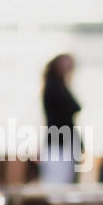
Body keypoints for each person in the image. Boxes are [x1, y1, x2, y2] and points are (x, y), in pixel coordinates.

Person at [41, 53, 82, 183]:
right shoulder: (53, 88)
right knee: (57, 184)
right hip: (58, 144)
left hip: (64, 144)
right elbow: (73, 107)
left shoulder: (60, 86)